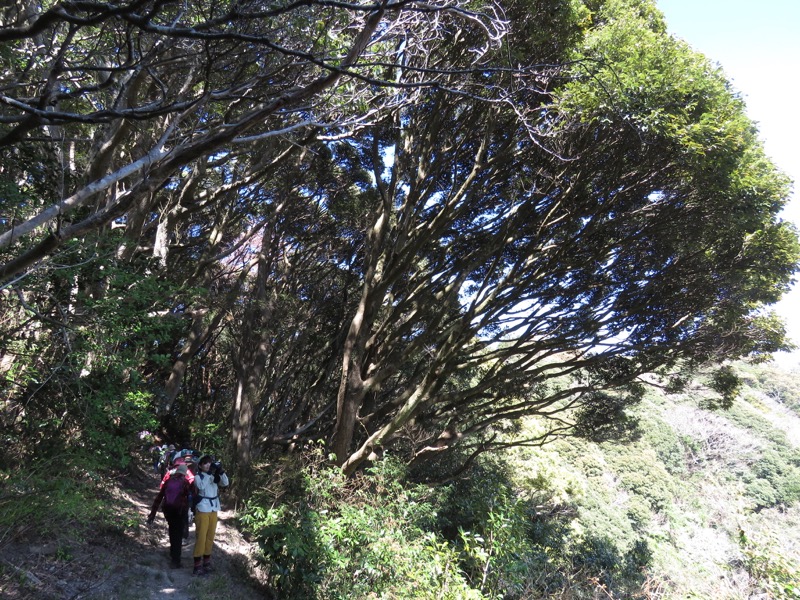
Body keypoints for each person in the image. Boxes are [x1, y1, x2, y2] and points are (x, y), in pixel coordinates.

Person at [147, 463, 192, 568]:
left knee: (172, 530)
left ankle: (173, 555)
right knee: (178, 534)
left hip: (168, 511)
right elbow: (191, 496)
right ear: (185, 473)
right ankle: (176, 560)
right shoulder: (185, 482)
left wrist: (152, 514)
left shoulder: (168, 481)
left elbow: (159, 497)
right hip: (180, 511)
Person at [192, 455, 229, 576]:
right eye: (205, 463)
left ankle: (206, 562)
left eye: (209, 463)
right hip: (203, 508)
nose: (208, 465)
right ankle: (197, 565)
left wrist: (220, 471)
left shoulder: (213, 476)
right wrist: (209, 474)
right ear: (200, 465)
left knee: (210, 536)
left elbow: (225, 483)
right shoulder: (198, 477)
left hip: (213, 508)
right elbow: (201, 486)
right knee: (201, 536)